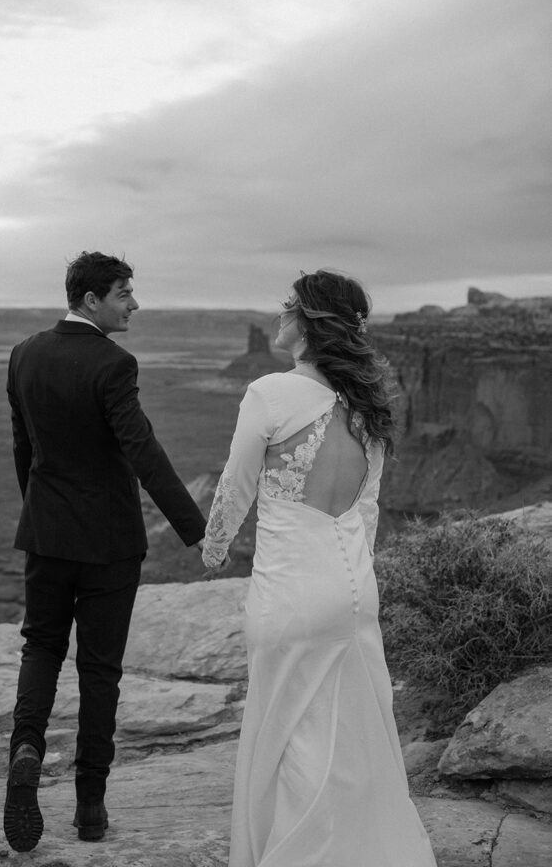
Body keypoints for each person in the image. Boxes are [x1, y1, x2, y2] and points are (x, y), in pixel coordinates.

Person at [202, 269, 437, 867]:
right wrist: (359, 580)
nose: (279, 316)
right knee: (354, 734)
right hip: (353, 589)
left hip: (291, 594)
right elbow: (368, 510)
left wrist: (214, 548)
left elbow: (235, 487)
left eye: (288, 307)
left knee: (287, 735)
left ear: (308, 324)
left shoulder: (270, 393)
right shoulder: (368, 409)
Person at [4, 251, 206, 852]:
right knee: (100, 671)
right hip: (109, 544)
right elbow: (142, 451)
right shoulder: (114, 364)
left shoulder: (23, 354)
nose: (134, 305)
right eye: (124, 294)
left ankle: (27, 747)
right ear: (91, 300)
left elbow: (24, 447)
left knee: (40, 646)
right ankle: (90, 807)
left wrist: (41, 512)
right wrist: (197, 530)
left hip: (45, 534)